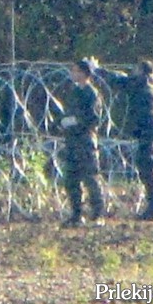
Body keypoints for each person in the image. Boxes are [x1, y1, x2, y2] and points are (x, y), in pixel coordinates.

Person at [93, 58, 153, 221]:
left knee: (147, 166)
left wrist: (96, 69)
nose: (132, 72)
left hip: (148, 129)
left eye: (134, 69)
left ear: (140, 70)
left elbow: (118, 81)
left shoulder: (141, 82)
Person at [60, 59, 106, 227]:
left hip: (85, 141)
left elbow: (94, 119)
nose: (73, 73)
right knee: (71, 179)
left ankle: (98, 214)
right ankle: (76, 214)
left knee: (90, 178)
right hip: (72, 141)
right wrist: (64, 122)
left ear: (84, 73)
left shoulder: (91, 93)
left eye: (76, 70)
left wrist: (76, 122)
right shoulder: (74, 91)